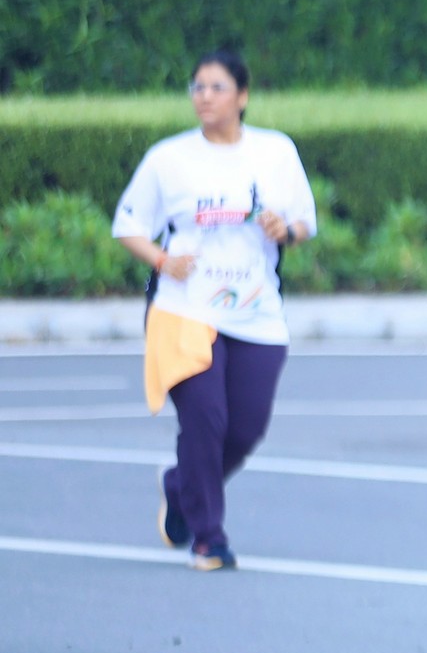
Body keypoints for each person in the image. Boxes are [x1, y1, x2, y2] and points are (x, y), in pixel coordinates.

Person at [110, 49, 318, 572]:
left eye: (217, 87)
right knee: (205, 420)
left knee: (244, 430)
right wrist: (163, 260)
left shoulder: (275, 152)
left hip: (256, 309)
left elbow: (304, 222)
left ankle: (180, 487)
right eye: (197, 87)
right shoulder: (169, 158)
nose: (204, 96)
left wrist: (285, 230)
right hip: (185, 310)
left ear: (242, 96)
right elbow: (128, 223)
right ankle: (209, 539)